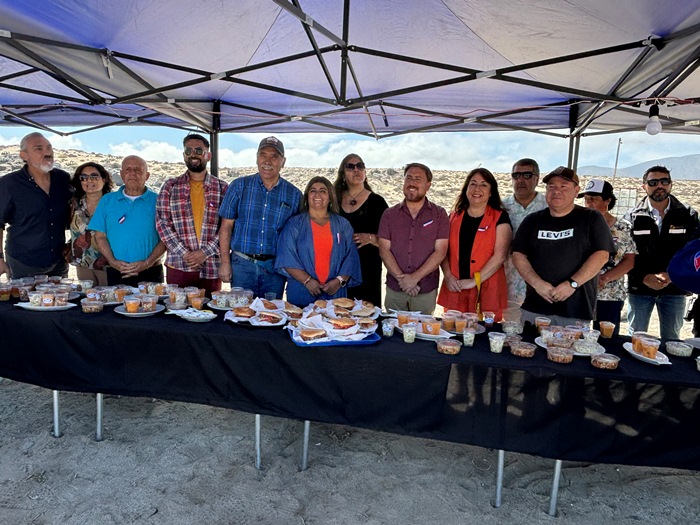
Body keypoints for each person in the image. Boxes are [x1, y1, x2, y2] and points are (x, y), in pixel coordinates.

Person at [512, 166, 615, 326]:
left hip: (575, 311)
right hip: (535, 308)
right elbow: (518, 255)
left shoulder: (591, 218)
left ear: (576, 190)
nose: (556, 191)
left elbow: (602, 255)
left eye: (563, 186)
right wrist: (537, 284)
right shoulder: (532, 220)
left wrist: (572, 284)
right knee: (527, 349)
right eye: (551, 187)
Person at [218, 136, 302, 299]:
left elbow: (297, 237)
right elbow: (226, 227)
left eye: (274, 156)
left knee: (270, 316)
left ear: (283, 162)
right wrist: (225, 263)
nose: (268, 161)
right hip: (242, 265)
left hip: (274, 268)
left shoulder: (294, 195)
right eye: (263, 155)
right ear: (257, 158)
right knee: (241, 316)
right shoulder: (239, 186)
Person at [626, 166, 699, 340]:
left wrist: (671, 275)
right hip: (640, 289)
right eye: (653, 182)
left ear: (671, 184)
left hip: (674, 289)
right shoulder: (632, 217)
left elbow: (694, 252)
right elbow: (625, 254)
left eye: (664, 181)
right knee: (636, 337)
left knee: (672, 339)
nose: (659, 185)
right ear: (644, 186)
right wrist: (643, 277)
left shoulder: (688, 215)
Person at [156, 134, 229, 296]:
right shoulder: (170, 186)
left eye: (198, 150)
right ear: (184, 155)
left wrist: (204, 253)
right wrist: (185, 253)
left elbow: (228, 227)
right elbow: (163, 224)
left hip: (211, 266)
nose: (193, 154)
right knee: (177, 312)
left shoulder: (223, 188)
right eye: (188, 151)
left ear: (208, 155)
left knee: (211, 313)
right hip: (179, 264)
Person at [437, 168, 512, 319]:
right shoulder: (453, 216)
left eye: (484, 185)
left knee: (484, 337)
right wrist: (448, 275)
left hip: (486, 289)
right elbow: (443, 251)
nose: (477, 189)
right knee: (453, 335)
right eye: (473, 184)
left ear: (491, 192)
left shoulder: (500, 217)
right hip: (455, 288)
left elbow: (500, 255)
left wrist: (473, 281)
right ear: (466, 189)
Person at [275, 176, 361, 306]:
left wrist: (338, 281)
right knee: (301, 325)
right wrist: (308, 281)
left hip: (334, 294)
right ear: (307, 196)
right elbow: (286, 257)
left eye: (323, 191)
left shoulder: (342, 225)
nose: (317, 194)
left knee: (336, 325)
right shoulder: (294, 224)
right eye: (312, 190)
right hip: (301, 292)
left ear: (330, 197)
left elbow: (351, 257)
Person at [378, 163, 449, 315]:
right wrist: (404, 281)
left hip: (425, 290)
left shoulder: (439, 214)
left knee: (423, 335)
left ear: (428, 185)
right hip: (395, 289)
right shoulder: (389, 215)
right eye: (409, 178)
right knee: (392, 335)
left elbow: (440, 252)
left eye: (418, 179)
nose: (412, 183)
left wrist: (414, 278)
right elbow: (384, 250)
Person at [0, 132, 73, 278]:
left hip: (58, 263)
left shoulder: (63, 179)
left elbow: (75, 214)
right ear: (23, 156)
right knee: (22, 301)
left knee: (62, 301)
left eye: (49, 148)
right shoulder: (9, 184)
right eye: (38, 148)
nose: (47, 152)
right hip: (23, 264)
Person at [89, 155, 166, 286]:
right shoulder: (107, 201)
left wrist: (147, 263)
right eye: (128, 170)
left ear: (147, 176)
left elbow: (166, 238)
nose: (132, 173)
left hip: (151, 271)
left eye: (137, 170)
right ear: (121, 174)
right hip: (116, 270)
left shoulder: (159, 201)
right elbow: (100, 236)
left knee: (153, 306)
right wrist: (112, 261)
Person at [579, 179, 636, 336]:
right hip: (580, 291)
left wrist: (604, 279)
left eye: (594, 199)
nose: (588, 203)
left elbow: (629, 260)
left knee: (607, 339)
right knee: (576, 336)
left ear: (607, 200)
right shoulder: (579, 224)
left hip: (610, 293)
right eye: (586, 199)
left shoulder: (623, 227)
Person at [333, 154, 389, 307]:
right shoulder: (334, 200)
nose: (356, 170)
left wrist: (370, 238)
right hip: (338, 270)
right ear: (343, 174)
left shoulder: (377, 202)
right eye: (350, 166)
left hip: (367, 270)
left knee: (366, 317)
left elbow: (391, 240)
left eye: (360, 166)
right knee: (338, 317)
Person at [502, 158, 547, 305]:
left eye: (527, 175)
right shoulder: (500, 207)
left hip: (542, 285)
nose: (520, 180)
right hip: (508, 283)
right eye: (516, 176)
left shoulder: (549, 206)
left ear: (537, 178)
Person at [68, 162, 115, 286]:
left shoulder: (114, 204)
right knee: (89, 301)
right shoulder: (73, 204)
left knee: (110, 300)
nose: (89, 181)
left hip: (109, 264)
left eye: (94, 176)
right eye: (84, 177)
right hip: (82, 264)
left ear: (104, 179)